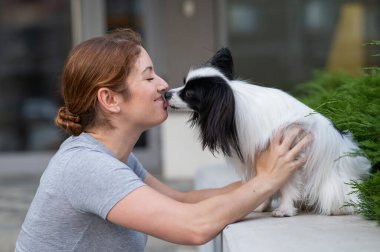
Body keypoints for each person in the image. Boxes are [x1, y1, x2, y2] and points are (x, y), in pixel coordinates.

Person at [15, 28, 312, 252]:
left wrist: (274, 178)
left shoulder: (113, 157)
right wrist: (267, 181)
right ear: (110, 99)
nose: (163, 85)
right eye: (148, 77)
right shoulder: (86, 167)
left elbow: (182, 201)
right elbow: (193, 226)